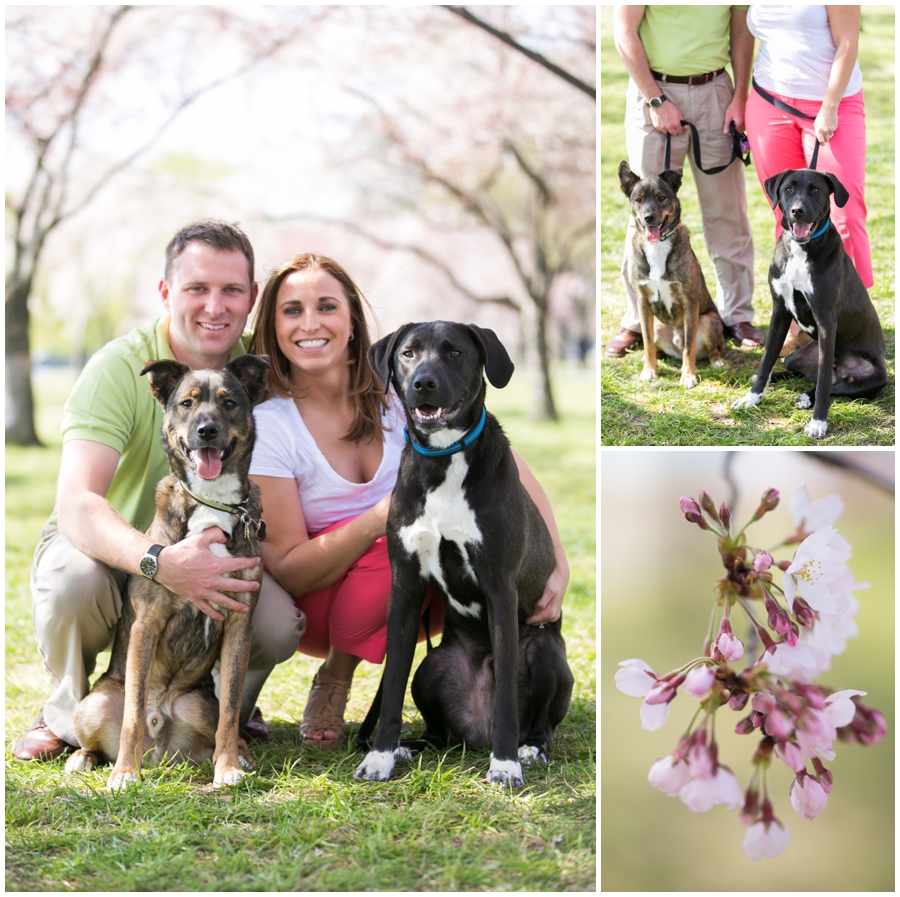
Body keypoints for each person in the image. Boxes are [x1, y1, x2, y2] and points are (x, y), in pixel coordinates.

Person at [247, 253, 569, 750]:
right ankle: (334, 676)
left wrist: (558, 565)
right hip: (316, 597)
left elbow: (510, 468)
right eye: (292, 310)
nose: (310, 323)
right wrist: (385, 515)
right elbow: (287, 569)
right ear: (273, 325)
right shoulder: (270, 422)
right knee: (403, 541)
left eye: (327, 306)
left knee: (426, 540)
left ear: (352, 319)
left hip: (432, 582)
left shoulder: (406, 393)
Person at [13, 220, 305, 762]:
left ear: (251, 298)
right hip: (110, 549)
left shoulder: (256, 370)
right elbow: (78, 504)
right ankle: (69, 713)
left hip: (220, 541)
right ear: (167, 292)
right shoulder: (119, 367)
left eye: (231, 290)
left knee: (273, 618)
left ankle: (225, 709)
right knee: (73, 583)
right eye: (197, 288)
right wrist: (158, 560)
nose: (214, 306)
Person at [608, 4, 763, 357]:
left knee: (728, 211)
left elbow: (741, 31)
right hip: (654, 91)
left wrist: (739, 96)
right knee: (643, 215)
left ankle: (737, 315)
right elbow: (625, 32)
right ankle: (636, 319)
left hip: (716, 91)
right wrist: (655, 98)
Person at [744, 5, 870, 355]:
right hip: (768, 101)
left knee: (845, 215)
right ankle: (798, 321)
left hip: (833, 103)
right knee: (788, 215)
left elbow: (848, 41)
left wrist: (829, 105)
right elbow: (742, 33)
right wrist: (742, 97)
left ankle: (851, 321)